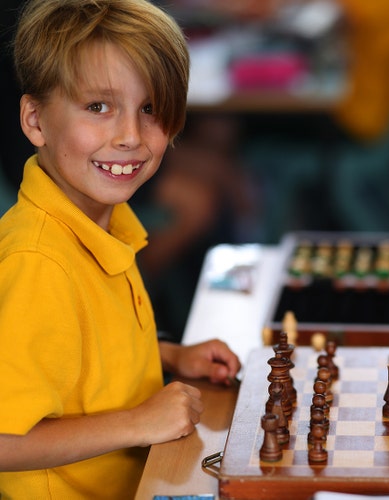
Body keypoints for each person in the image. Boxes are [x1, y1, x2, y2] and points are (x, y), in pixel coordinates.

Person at [0, 1, 242, 498]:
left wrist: (169, 355)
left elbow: (76, 360)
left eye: (149, 109)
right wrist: (136, 423)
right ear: (35, 120)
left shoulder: (100, 222)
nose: (130, 136)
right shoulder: (39, 262)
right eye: (98, 107)